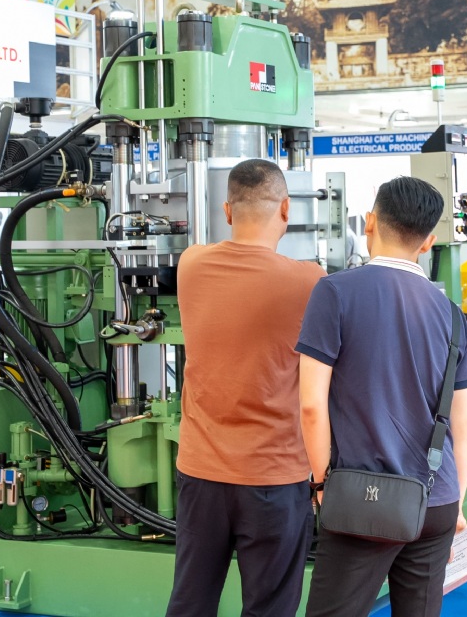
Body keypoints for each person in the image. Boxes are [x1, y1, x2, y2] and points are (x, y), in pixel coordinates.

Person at [298, 176, 467, 617]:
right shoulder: (452, 314)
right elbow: (462, 421)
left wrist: (322, 485)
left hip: (363, 498)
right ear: (428, 242)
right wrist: (455, 501)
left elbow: (311, 404)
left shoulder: (335, 292)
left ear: (370, 221)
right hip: (435, 499)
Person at [166, 159, 325, 617]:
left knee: (190, 602)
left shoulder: (191, 264)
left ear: (227, 211)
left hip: (201, 473)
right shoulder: (310, 279)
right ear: (286, 209)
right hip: (275, 475)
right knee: (269, 607)